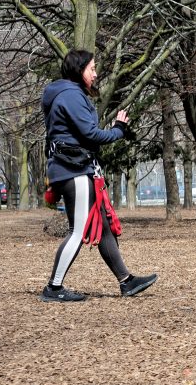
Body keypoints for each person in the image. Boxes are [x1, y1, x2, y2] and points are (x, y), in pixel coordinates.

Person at [40, 48, 157, 302]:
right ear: (78, 70)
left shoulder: (66, 94)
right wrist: (119, 130)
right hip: (74, 170)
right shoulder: (70, 95)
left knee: (103, 227)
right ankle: (54, 287)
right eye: (91, 68)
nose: (95, 73)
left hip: (73, 168)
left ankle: (126, 281)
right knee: (78, 230)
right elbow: (91, 135)